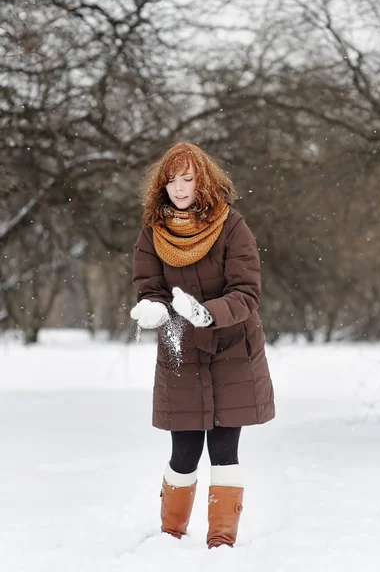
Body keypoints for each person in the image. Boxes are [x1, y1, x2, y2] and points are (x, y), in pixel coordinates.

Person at [130, 142, 275, 549]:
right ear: (162, 185)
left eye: (188, 179)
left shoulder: (232, 226)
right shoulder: (151, 233)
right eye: (172, 180)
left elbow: (246, 291)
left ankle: (221, 540)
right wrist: (155, 310)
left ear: (203, 182)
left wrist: (208, 314)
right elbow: (150, 288)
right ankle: (170, 538)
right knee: (185, 450)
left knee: (225, 451)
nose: (179, 188)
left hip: (233, 351)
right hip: (181, 353)